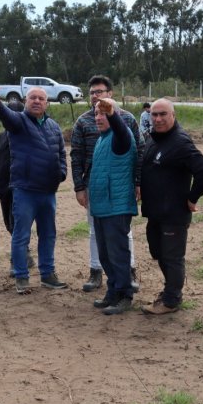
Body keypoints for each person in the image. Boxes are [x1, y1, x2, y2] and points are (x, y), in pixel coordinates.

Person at [0, 88, 68, 294]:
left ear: (47, 103)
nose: (37, 101)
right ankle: (21, 276)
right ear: (25, 101)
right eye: (33, 98)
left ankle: (48, 275)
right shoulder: (18, 122)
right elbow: (7, 116)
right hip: (25, 190)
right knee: (21, 235)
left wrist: (60, 173)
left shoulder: (54, 127)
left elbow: (61, 153)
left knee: (48, 234)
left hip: (48, 192)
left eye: (41, 99)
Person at [70, 75, 143, 294]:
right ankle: (96, 272)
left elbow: (139, 150)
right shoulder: (83, 121)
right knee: (96, 232)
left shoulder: (126, 119)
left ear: (110, 94)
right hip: (95, 188)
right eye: (92, 92)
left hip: (120, 187)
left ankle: (128, 273)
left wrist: (138, 182)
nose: (95, 96)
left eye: (100, 92)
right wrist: (79, 187)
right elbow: (76, 156)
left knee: (121, 234)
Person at [139, 98, 203, 315]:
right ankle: (170, 291)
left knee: (172, 257)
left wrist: (192, 198)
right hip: (155, 211)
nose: (158, 119)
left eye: (163, 114)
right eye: (154, 115)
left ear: (173, 115)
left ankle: (171, 301)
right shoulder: (154, 139)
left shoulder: (180, 142)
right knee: (158, 252)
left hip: (173, 213)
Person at [88, 97, 139, 315]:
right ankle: (113, 291)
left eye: (103, 113)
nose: (98, 117)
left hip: (116, 207)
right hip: (101, 206)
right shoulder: (102, 139)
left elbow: (119, 128)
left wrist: (112, 114)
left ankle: (125, 295)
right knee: (105, 255)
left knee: (118, 254)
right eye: (96, 114)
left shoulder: (121, 136)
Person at [0, 100, 35, 275]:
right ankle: (27, 255)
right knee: (10, 225)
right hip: (3, 188)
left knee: (17, 225)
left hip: (20, 189)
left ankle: (17, 262)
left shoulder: (28, 134)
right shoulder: (1, 136)